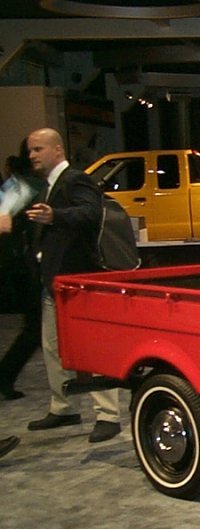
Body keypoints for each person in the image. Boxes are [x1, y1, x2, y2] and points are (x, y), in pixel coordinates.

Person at [22, 128, 121, 443]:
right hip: (55, 281)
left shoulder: (76, 179)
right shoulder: (47, 186)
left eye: (38, 149)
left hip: (79, 281)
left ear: (57, 149)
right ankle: (63, 406)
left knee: (93, 349)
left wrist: (56, 216)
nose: (32, 156)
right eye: (30, 151)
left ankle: (108, 415)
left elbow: (91, 214)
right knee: (52, 347)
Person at [0, 143, 47, 400]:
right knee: (35, 328)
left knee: (36, 328)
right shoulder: (24, 185)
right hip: (19, 267)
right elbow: (3, 223)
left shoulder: (20, 184)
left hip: (21, 265)